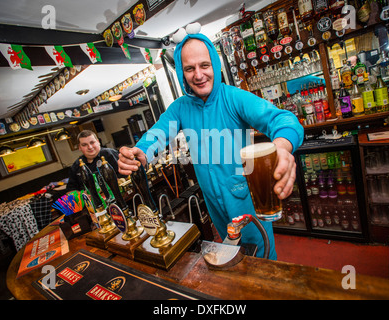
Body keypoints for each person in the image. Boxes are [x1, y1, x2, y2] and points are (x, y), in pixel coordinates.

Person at [117, 32, 304, 260]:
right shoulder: (181, 108)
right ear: (181, 74)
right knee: (231, 257)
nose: (198, 75)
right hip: (214, 205)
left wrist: (282, 148)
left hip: (247, 201)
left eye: (204, 65)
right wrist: (141, 151)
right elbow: (158, 133)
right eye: (189, 69)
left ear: (214, 64)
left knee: (262, 258)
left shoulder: (233, 98)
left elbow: (284, 120)